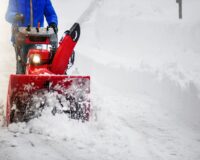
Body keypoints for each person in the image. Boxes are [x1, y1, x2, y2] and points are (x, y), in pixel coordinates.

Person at [5, 0, 58, 74]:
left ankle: (37, 80)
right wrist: (15, 16)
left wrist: (53, 23)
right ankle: (21, 79)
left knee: (38, 62)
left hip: (38, 37)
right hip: (20, 37)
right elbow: (8, 15)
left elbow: (51, 14)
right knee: (22, 64)